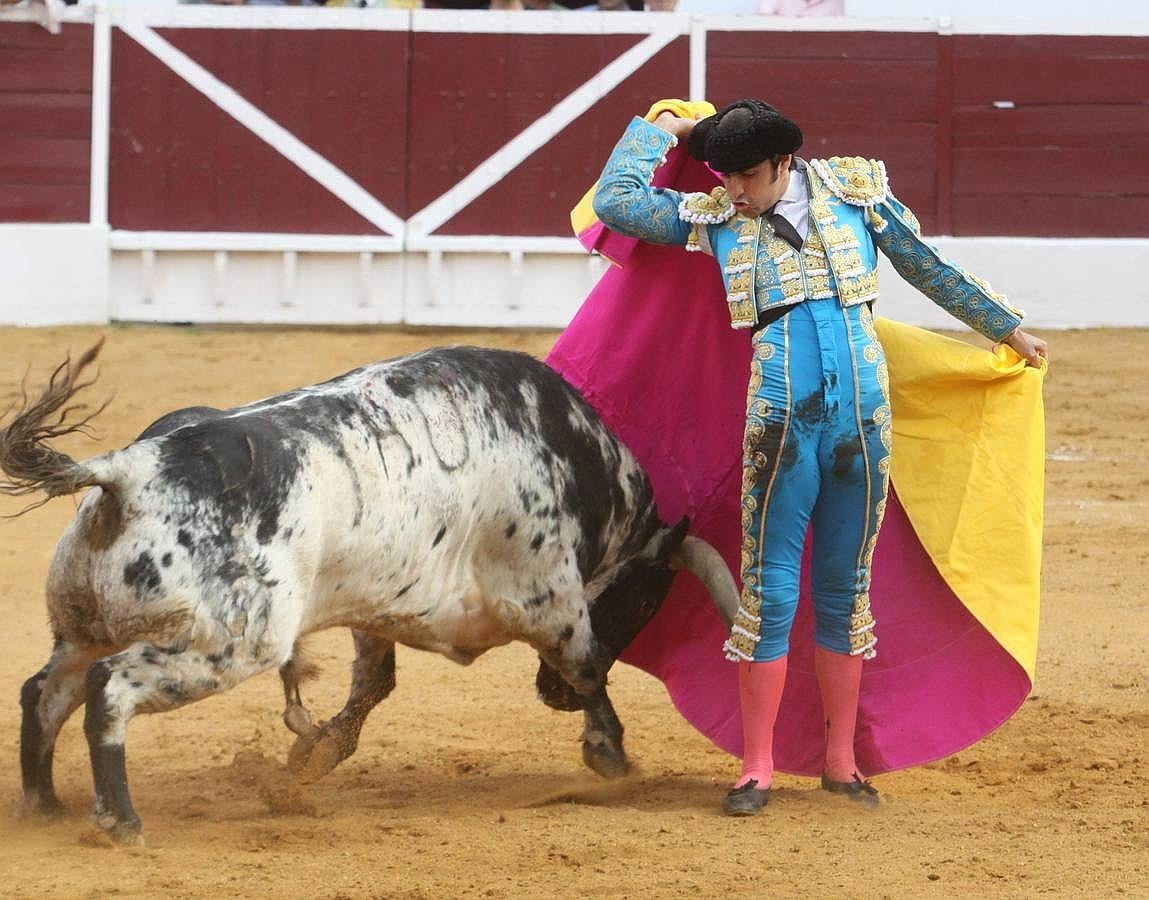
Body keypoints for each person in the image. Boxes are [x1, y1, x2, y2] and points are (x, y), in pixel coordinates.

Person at [590, 98, 1048, 817]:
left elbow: (925, 265)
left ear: (783, 163)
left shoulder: (855, 195)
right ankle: (757, 767)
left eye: (748, 176)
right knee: (771, 589)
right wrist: (662, 132)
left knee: (844, 587)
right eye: (727, 176)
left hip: (862, 425)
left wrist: (1006, 326)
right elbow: (617, 206)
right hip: (779, 425)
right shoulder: (712, 219)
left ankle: (840, 762)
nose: (736, 190)